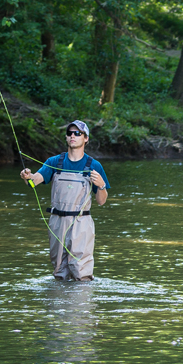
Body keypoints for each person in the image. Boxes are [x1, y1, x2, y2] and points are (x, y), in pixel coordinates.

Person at [20, 120, 110, 282]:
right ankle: (59, 304)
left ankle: (81, 304)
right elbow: (34, 182)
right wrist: (27, 176)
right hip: (57, 222)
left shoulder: (94, 165)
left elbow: (101, 201)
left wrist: (101, 186)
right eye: (70, 133)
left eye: (77, 133)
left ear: (86, 138)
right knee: (59, 270)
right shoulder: (54, 162)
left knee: (80, 271)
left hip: (82, 222)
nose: (73, 136)